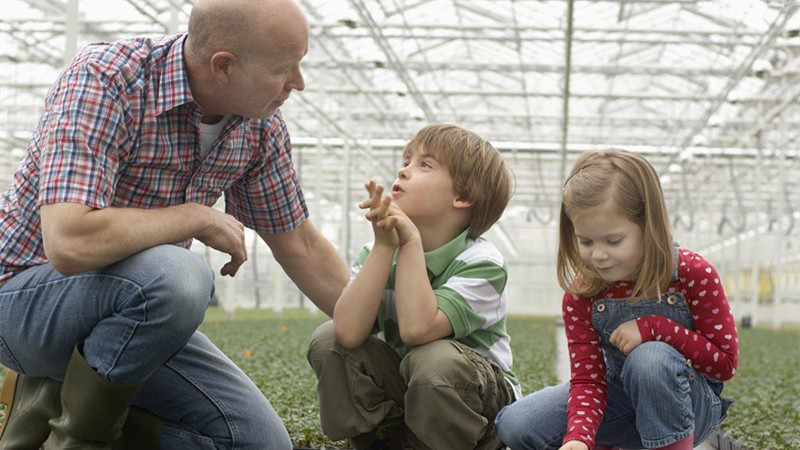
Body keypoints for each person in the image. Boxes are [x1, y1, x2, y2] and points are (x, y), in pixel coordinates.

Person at [0, 0, 350, 448]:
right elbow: (69, 243)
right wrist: (194, 216)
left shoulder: (258, 127)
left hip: (133, 312)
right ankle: (74, 438)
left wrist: (384, 328)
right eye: (285, 68)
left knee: (259, 443)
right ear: (223, 65)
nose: (298, 83)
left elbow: (300, 245)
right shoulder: (107, 79)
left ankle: (56, 400)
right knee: (179, 274)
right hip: (25, 298)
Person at [495, 148, 738, 450]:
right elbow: (589, 380)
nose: (597, 254)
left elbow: (724, 364)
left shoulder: (691, 274)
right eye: (586, 241)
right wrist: (579, 438)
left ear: (648, 227)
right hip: (620, 398)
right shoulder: (583, 293)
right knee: (517, 424)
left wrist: (655, 329)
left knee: (649, 360)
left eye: (613, 240)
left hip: (689, 404)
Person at [306, 123, 521, 450]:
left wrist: (410, 243)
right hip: (412, 388)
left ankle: (481, 441)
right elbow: (346, 332)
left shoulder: (482, 262)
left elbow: (418, 330)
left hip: (481, 404)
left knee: (433, 357)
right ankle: (384, 441)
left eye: (425, 164)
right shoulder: (380, 251)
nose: (404, 170)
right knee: (327, 339)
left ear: (463, 196)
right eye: (406, 160)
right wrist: (382, 248)